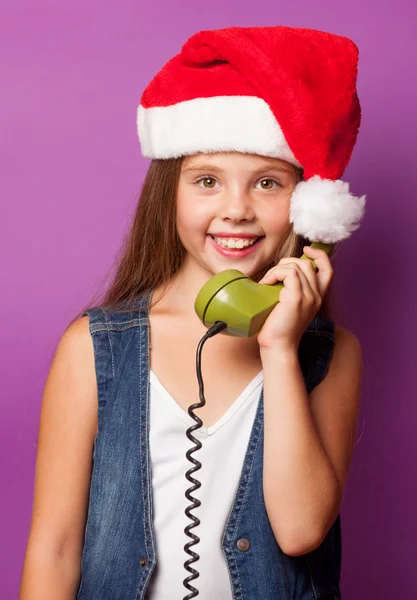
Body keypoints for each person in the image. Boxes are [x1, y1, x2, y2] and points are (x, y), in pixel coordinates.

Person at [20, 25, 365, 600]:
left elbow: (302, 530)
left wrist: (279, 347)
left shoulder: (332, 355)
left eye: (268, 183)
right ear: (169, 194)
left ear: (308, 208)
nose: (236, 209)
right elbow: (53, 548)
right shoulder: (95, 348)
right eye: (207, 181)